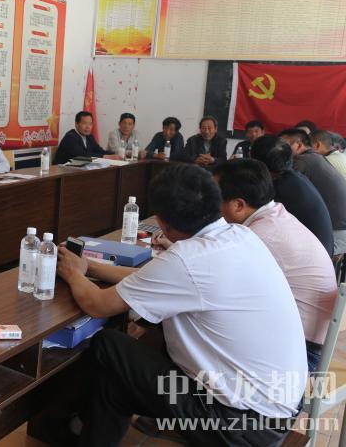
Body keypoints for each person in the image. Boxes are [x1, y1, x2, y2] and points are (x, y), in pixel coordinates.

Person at [55, 164, 306, 445]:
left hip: (236, 423)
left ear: (162, 222)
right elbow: (151, 279)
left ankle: (70, 418)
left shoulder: (187, 259)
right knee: (116, 381)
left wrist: (73, 274)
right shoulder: (240, 235)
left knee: (108, 344)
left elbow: (97, 304)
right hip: (278, 408)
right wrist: (90, 268)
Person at [213, 159, 337, 372]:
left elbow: (216, 282)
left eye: (214, 197)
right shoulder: (275, 216)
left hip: (299, 355)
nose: (211, 204)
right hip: (311, 342)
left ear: (239, 205)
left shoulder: (258, 236)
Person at [251, 135, 334, 255]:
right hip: (322, 251)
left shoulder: (281, 188)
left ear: (257, 163)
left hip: (312, 257)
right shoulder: (293, 177)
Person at [279, 128, 346, 256]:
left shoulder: (302, 161)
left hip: (335, 234)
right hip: (340, 230)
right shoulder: (316, 158)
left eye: (284, 146)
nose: (280, 151)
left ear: (299, 145)